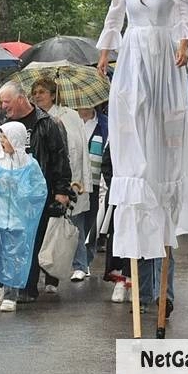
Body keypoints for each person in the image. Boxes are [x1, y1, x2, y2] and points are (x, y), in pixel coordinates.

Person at [96, 0, 188, 262]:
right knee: (131, 106)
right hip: (133, 49)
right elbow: (115, 16)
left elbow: (185, 14)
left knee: (161, 112)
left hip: (161, 49)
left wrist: (184, 44)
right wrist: (105, 52)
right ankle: (136, 169)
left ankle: (162, 173)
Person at [0, 81, 71, 304]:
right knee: (8, 240)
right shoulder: (1, 121)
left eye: (7, 101)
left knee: (32, 241)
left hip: (37, 193)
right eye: (2, 102)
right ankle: (9, 284)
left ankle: (27, 287)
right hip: (8, 194)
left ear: (21, 99)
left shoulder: (46, 123)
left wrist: (62, 191)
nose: (3, 106)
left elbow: (59, 157)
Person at [0, 122, 48, 312]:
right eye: (0, 136)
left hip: (17, 219)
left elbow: (39, 189)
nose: (2, 140)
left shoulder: (29, 163)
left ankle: (11, 294)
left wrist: (19, 187)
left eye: (6, 137)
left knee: (14, 255)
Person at [29, 77, 91, 283]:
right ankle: (50, 273)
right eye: (35, 92)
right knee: (48, 228)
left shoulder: (70, 115)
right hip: (45, 179)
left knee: (73, 223)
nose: (37, 96)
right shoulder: (33, 117)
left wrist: (83, 180)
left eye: (42, 92)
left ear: (53, 95)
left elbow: (80, 149)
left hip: (71, 178)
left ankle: (80, 264)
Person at [71, 105, 108, 282]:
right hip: (76, 181)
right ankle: (80, 264)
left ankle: (87, 257)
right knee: (76, 222)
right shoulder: (70, 121)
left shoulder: (104, 124)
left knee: (92, 223)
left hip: (96, 181)